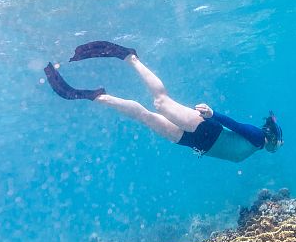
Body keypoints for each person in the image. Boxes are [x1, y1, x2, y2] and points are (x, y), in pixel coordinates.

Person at [43, 41, 283, 162]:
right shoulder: (258, 138)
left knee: (145, 117)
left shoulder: (256, 147)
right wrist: (213, 114)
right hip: (206, 128)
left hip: (194, 143)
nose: (276, 148)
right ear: (272, 136)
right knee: (160, 102)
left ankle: (95, 96)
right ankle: (130, 57)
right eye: (278, 143)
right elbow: (236, 126)